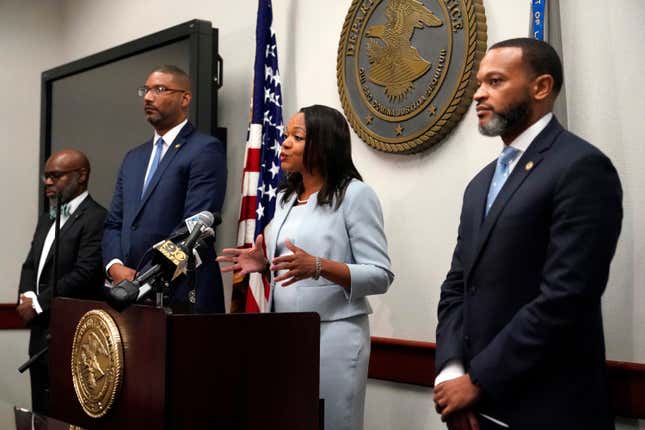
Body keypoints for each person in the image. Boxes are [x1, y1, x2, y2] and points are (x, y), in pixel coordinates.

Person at [433, 38, 622, 430]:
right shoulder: (479, 184)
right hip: (474, 408)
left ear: (541, 87)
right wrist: (452, 371)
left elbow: (566, 297)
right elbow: (457, 287)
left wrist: (479, 379)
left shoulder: (581, 167)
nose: (478, 94)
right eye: (479, 83)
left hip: (549, 407)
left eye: (496, 81)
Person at [218, 105, 394, 430]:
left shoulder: (355, 195)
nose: (284, 143)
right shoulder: (286, 198)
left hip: (334, 337)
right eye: (286, 135)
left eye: (296, 137)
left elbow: (380, 274)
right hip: (286, 338)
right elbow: (289, 260)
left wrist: (319, 266)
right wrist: (264, 263)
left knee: (330, 424)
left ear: (324, 144)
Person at [102, 65, 227, 313]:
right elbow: (114, 223)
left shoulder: (204, 149)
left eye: (160, 89)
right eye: (146, 90)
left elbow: (192, 229)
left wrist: (144, 276)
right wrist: (115, 267)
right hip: (129, 295)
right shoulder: (133, 158)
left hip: (182, 292)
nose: (148, 97)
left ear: (185, 98)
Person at [17, 149, 107, 414]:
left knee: (67, 412)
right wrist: (27, 297)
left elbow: (86, 272)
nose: (47, 182)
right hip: (40, 334)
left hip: (72, 331)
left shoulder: (96, 218)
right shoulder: (47, 217)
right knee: (40, 410)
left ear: (81, 176)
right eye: (46, 177)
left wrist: (40, 303)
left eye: (55, 176)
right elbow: (31, 264)